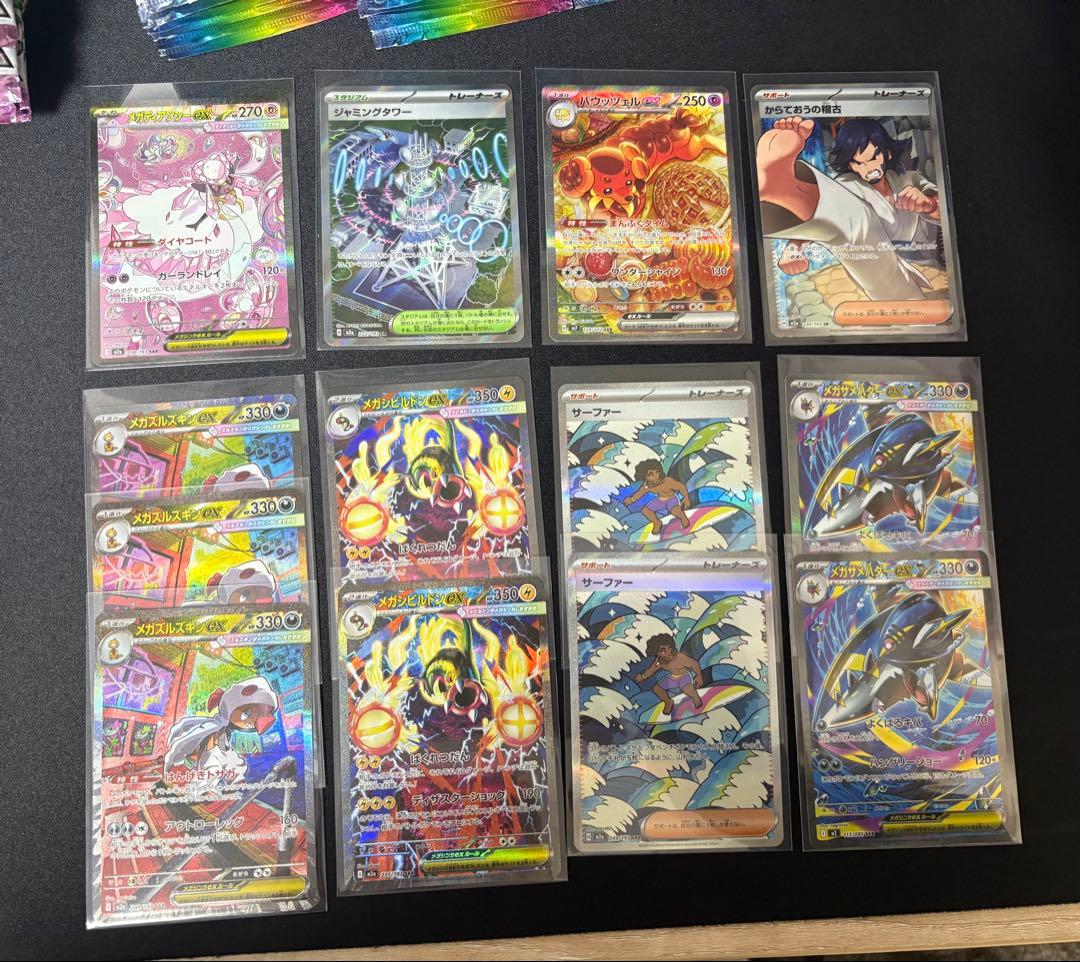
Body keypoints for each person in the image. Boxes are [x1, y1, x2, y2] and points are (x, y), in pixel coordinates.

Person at [634, 633, 704, 715]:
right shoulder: (659, 662)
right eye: (663, 651)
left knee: (687, 689)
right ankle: (668, 701)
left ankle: (695, 697)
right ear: (657, 653)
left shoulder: (680, 657)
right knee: (656, 688)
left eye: (669, 648)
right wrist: (643, 676)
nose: (668, 653)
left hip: (684, 677)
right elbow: (651, 670)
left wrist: (699, 676)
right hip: (672, 678)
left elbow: (694, 664)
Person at [623, 458, 691, 535]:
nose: (655, 476)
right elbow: (640, 493)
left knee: (675, 511)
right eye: (651, 475)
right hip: (660, 501)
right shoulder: (648, 486)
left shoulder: (667, 482)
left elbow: (681, 487)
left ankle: (683, 517)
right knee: (645, 510)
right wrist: (631, 499)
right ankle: (656, 522)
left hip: (672, 500)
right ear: (645, 477)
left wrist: (686, 498)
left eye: (657, 473)